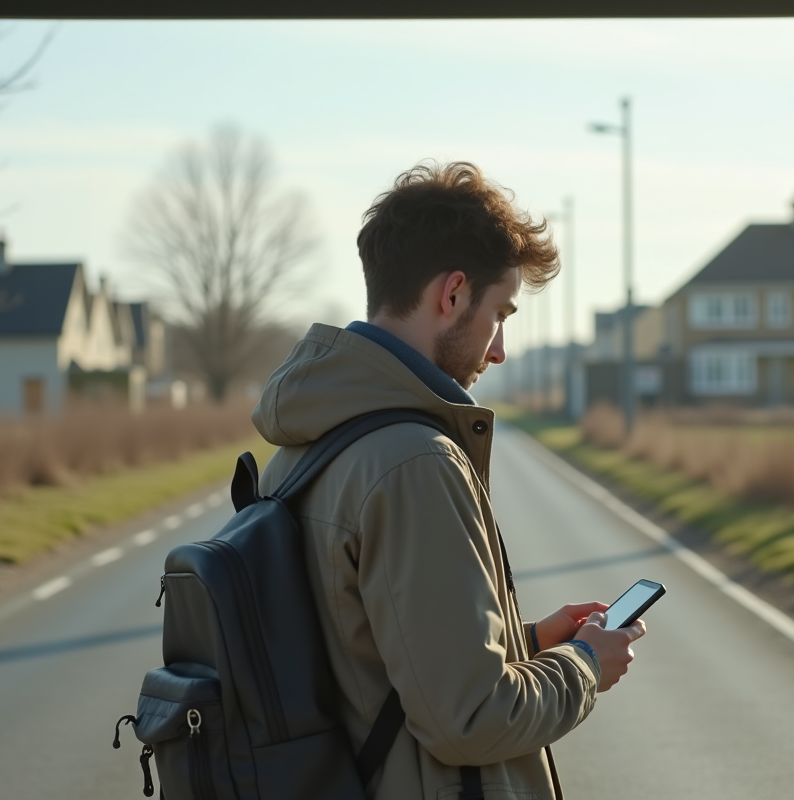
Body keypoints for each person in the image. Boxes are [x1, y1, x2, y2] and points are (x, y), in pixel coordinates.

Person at [252, 161, 646, 800]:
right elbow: (469, 721)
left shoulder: (311, 442)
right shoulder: (414, 463)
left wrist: (528, 642)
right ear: (453, 294)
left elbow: (370, 664)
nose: (499, 351)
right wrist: (586, 666)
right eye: (501, 314)